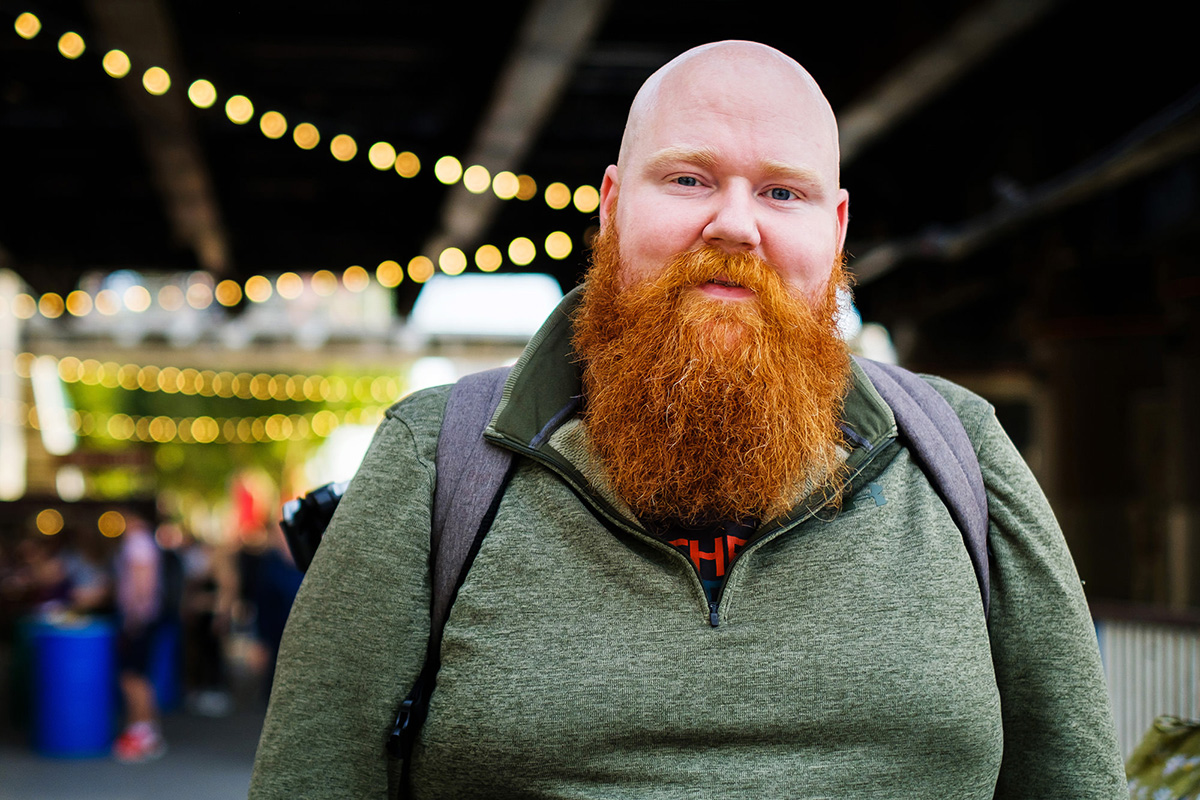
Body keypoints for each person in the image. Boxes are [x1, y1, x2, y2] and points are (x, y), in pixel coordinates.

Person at [250, 41, 1126, 797]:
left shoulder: (960, 452)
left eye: (783, 193)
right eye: (689, 178)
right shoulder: (435, 461)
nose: (735, 224)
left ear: (837, 225)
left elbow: (1076, 780)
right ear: (613, 202)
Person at [112, 511, 167, 763]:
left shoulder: (137, 542)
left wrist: (135, 614)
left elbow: (141, 580)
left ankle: (142, 730)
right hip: (144, 617)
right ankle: (145, 730)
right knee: (139, 675)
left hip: (138, 618)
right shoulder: (147, 542)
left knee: (132, 676)